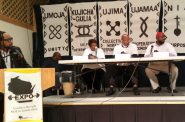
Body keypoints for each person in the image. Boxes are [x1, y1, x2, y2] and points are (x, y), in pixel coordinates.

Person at [0, 31, 31, 122]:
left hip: (15, 89)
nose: (11, 42)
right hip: (1, 90)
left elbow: (25, 65)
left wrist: (34, 71)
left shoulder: (16, 50)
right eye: (8, 40)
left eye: (11, 39)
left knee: (16, 116)